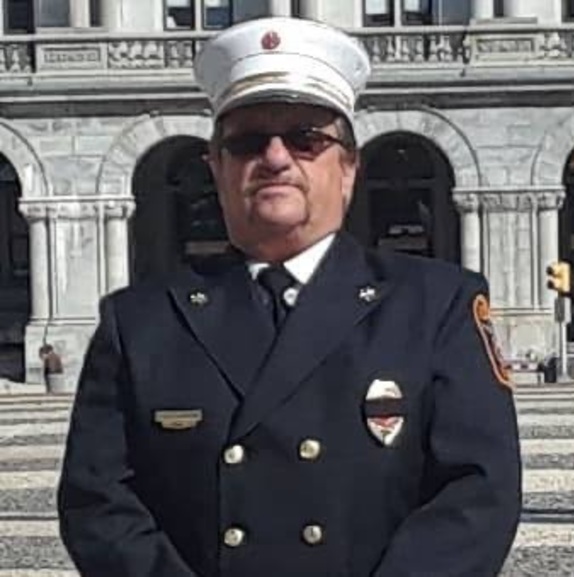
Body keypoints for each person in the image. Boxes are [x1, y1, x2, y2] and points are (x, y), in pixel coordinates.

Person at [58, 16, 522, 577]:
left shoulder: (436, 306)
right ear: (217, 169)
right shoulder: (141, 323)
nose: (276, 158)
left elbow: (477, 495)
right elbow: (98, 504)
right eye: (248, 142)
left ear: (347, 169)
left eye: (307, 140)